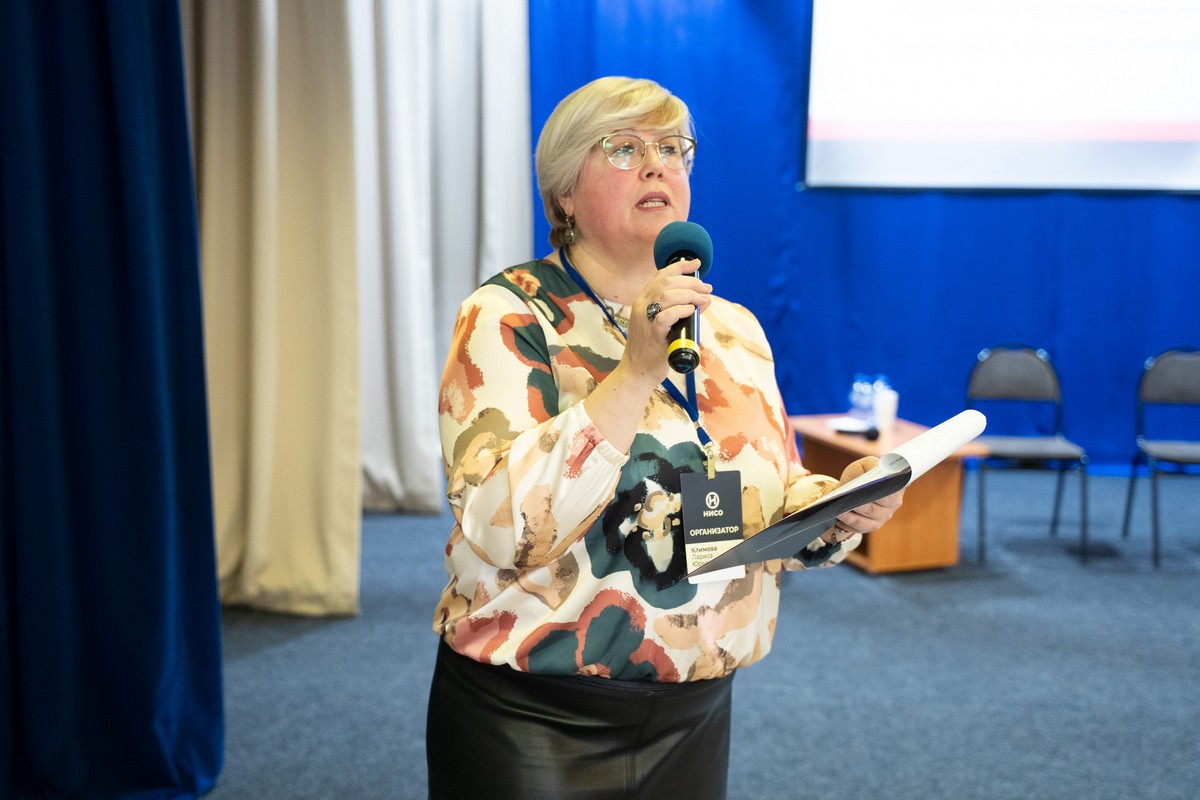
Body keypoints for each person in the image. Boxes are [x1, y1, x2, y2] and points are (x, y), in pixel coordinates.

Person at [426, 76, 903, 800]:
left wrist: (837, 507)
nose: (658, 165)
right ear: (563, 193)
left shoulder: (734, 329)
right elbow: (502, 527)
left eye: (674, 148)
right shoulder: (509, 317)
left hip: (694, 711)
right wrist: (634, 373)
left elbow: (771, 488)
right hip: (534, 716)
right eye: (625, 147)